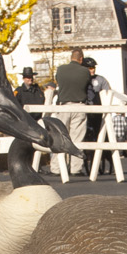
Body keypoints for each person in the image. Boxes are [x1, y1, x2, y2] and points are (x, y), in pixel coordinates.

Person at [53, 47, 91, 176]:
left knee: (60, 136)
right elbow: (87, 86)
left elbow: (58, 81)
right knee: (77, 138)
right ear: (81, 59)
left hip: (63, 104)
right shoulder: (85, 71)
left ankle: (57, 167)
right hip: (79, 105)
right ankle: (75, 168)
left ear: (71, 57)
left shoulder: (61, 70)